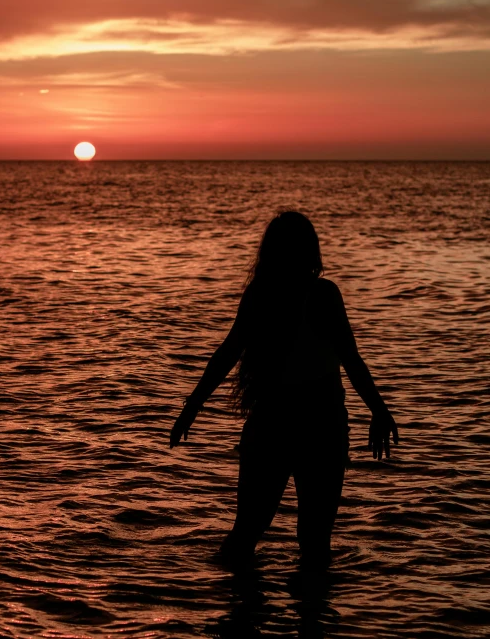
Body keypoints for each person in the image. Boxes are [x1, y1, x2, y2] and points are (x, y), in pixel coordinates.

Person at [170, 210, 398, 571]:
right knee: (314, 542)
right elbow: (351, 359)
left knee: (246, 533)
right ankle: (312, 618)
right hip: (320, 424)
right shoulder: (321, 294)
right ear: (311, 251)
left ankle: (234, 610)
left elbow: (228, 353)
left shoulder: (261, 295)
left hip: (273, 421)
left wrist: (192, 407)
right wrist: (379, 411)